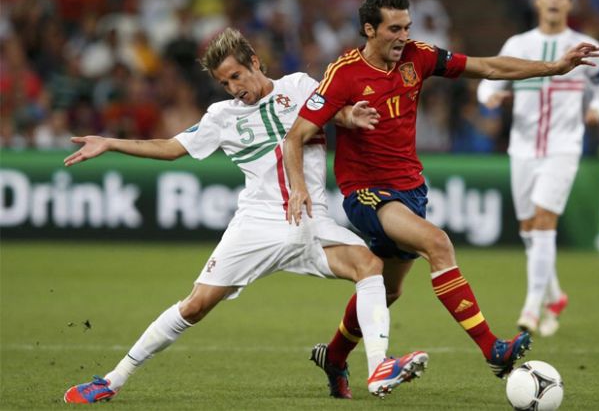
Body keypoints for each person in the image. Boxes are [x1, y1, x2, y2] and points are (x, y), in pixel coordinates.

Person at [62, 28, 428, 404]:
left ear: (255, 62)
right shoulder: (221, 117)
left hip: (309, 221)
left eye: (236, 76)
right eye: (225, 83)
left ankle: (379, 367)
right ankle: (112, 380)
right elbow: (170, 148)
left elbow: (336, 112)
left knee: (370, 266)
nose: (233, 88)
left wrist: (353, 115)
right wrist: (110, 143)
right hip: (257, 225)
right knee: (195, 305)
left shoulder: (299, 86)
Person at [283, 0, 599, 398]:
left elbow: (488, 66)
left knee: (388, 289)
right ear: (369, 29)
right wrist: (299, 185)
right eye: (394, 29)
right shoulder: (344, 73)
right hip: (367, 193)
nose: (403, 36)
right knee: (438, 243)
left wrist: (553, 68)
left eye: (407, 27)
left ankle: (335, 356)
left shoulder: (419, 56)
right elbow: (296, 137)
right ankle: (493, 349)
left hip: (410, 189)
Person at [477, 0, 599, 337]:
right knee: (529, 228)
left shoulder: (585, 47)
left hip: (563, 147)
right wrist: (491, 97)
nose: (554, 0)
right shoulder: (519, 45)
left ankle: (531, 307)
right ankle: (555, 296)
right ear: (537, 1)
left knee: (542, 221)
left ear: (570, 3)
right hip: (522, 148)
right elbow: (489, 79)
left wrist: (597, 108)